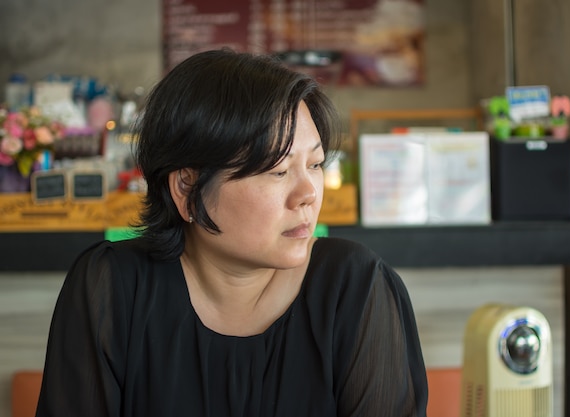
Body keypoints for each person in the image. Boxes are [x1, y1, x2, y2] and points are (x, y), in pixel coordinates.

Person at [35, 48, 428, 417]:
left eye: (315, 164)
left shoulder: (354, 287)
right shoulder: (113, 288)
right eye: (277, 171)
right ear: (187, 188)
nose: (308, 194)